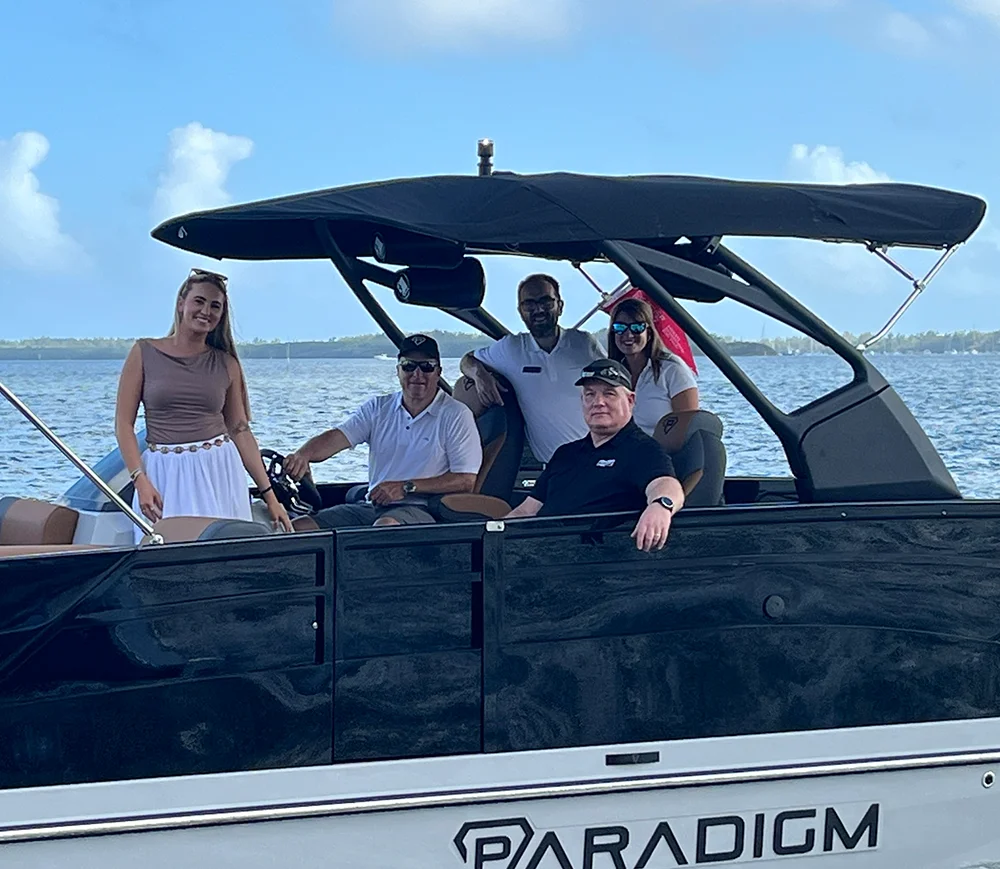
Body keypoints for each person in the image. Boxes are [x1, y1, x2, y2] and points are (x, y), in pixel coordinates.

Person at [115, 268, 293, 542]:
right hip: (164, 472)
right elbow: (124, 425)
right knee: (163, 555)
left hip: (218, 470)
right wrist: (140, 479)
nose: (206, 311)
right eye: (199, 301)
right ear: (181, 303)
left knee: (221, 555)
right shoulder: (143, 352)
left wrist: (270, 496)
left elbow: (240, 431)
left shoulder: (226, 364)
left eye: (215, 306)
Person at [284, 334, 482, 528]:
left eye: (426, 367)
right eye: (409, 366)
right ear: (398, 371)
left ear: (438, 372)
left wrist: (406, 487)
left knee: (384, 527)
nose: (417, 374)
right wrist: (303, 455)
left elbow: (466, 480)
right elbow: (338, 437)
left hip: (423, 510)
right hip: (373, 506)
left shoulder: (456, 415)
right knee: (299, 526)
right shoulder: (378, 408)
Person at [504, 359, 685, 552]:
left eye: (609, 394)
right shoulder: (565, 453)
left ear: (630, 400)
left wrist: (661, 506)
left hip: (588, 558)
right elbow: (527, 510)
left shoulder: (643, 450)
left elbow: (666, 484)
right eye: (590, 395)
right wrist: (491, 534)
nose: (598, 402)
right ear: (582, 402)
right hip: (533, 552)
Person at [460, 273, 605, 463]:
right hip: (554, 468)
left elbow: (615, 383)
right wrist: (479, 374)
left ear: (560, 306)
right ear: (520, 311)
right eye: (529, 304)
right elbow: (466, 360)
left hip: (600, 458)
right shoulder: (511, 348)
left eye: (546, 301)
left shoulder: (583, 343)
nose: (538, 309)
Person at [607, 297, 699, 436]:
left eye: (637, 327)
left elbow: (689, 428)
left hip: (663, 455)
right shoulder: (611, 374)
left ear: (649, 333)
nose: (628, 334)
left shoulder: (673, 369)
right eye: (620, 327)